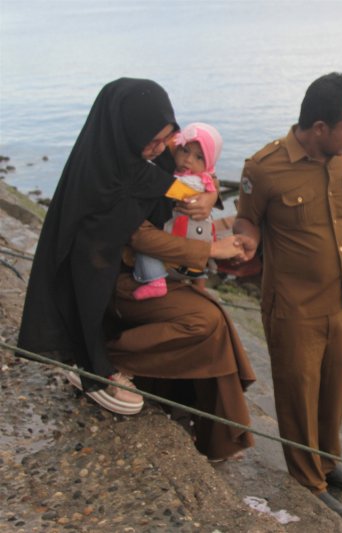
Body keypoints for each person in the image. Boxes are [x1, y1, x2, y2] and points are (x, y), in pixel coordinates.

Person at [18, 78, 255, 461]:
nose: (162, 150)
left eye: (167, 141)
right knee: (205, 322)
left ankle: (217, 441)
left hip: (150, 275)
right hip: (109, 285)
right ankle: (97, 362)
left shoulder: (146, 160)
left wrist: (209, 195)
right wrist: (211, 249)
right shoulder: (105, 176)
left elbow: (181, 185)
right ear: (129, 129)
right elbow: (139, 237)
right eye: (154, 140)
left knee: (216, 323)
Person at [232, 72, 342, 520]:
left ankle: (328, 463)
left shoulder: (341, 157)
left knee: (333, 389)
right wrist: (247, 241)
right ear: (319, 128)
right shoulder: (264, 168)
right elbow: (246, 220)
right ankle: (307, 480)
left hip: (340, 301)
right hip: (293, 308)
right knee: (298, 393)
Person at [132, 122, 223, 300]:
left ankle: (155, 279)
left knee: (150, 248)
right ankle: (200, 287)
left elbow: (168, 187)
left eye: (199, 157)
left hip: (182, 238)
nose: (188, 160)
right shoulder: (205, 178)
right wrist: (213, 194)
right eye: (184, 151)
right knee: (200, 263)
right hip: (198, 239)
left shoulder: (188, 181)